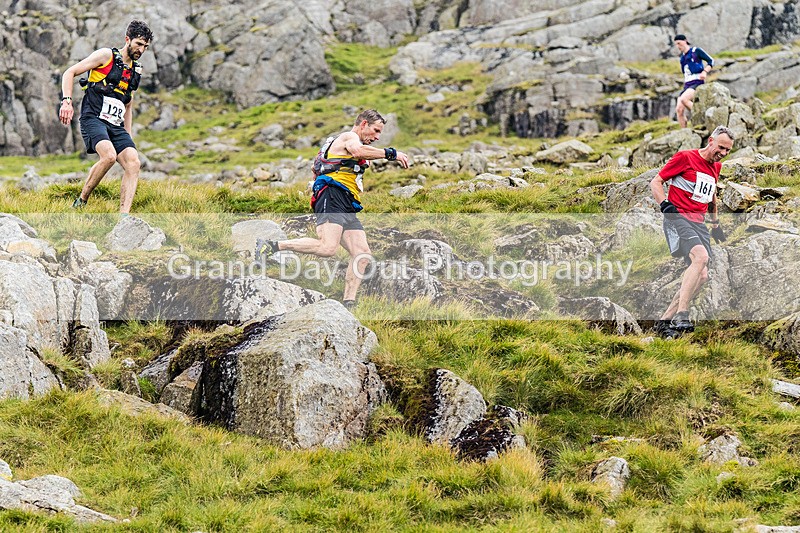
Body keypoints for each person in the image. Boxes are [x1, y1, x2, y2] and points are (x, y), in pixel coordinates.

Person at [255, 109, 410, 309]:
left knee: (362, 254)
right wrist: (391, 154)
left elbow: (318, 167)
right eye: (376, 130)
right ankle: (271, 246)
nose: (378, 137)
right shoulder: (349, 137)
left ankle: (349, 303)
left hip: (346, 201)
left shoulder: (343, 143)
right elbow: (357, 151)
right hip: (332, 194)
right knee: (328, 247)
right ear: (363, 124)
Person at [59, 20, 153, 214]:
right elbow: (70, 72)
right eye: (138, 44)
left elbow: (128, 103)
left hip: (115, 124)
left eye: (145, 46)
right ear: (128, 39)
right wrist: (66, 101)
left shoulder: (135, 70)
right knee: (109, 156)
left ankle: (124, 217)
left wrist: (128, 137)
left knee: (134, 162)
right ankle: (82, 200)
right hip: (93, 117)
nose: (141, 50)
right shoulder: (106, 56)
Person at [650, 125, 734, 337]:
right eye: (721, 147)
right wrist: (665, 206)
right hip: (678, 217)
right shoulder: (685, 157)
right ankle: (682, 313)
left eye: (728, 151)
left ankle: (664, 321)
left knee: (702, 275)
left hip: (699, 223)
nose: (723, 153)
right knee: (701, 256)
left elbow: (711, 195)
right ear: (711, 141)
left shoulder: (716, 168)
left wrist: (715, 225)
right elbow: (656, 182)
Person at [674, 34, 714, 128]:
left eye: (679, 43)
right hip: (687, 84)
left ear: (685, 41)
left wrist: (705, 71)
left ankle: (701, 116)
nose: (678, 46)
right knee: (679, 109)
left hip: (697, 82)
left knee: (684, 99)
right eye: (676, 44)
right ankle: (684, 131)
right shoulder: (682, 58)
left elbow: (711, 60)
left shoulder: (695, 51)